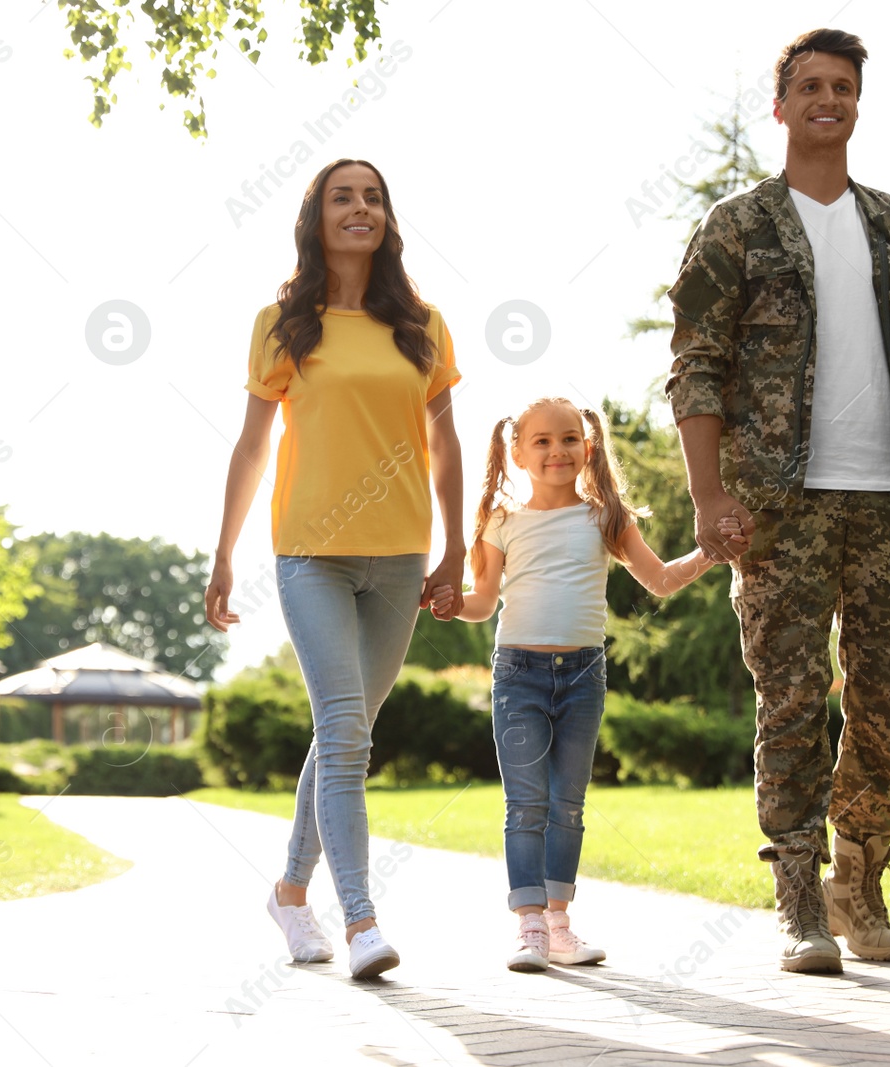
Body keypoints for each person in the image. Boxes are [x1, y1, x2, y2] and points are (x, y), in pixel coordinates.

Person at [666, 28, 890, 973]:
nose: (827, 99)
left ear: (856, 104)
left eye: (843, 86)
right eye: (810, 86)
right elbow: (696, 368)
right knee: (789, 698)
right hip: (778, 505)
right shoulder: (736, 227)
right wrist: (708, 493)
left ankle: (860, 883)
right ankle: (797, 898)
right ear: (782, 105)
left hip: (886, 502)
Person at [206, 158, 466, 979]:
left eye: (374, 197)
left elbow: (446, 442)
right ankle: (361, 920)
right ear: (315, 218)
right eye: (343, 197)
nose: (361, 208)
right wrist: (223, 550)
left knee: (345, 732)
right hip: (309, 551)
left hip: (401, 554)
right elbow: (253, 445)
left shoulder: (421, 322)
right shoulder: (283, 322)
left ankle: (289, 890)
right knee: (347, 732)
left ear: (389, 218)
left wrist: (457, 545)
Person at [431, 398, 743, 972]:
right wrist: (453, 605)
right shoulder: (499, 521)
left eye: (570, 439)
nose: (558, 451)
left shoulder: (606, 517)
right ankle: (528, 927)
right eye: (543, 441)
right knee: (526, 804)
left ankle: (559, 925)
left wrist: (710, 552)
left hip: (582, 676)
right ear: (517, 453)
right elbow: (482, 601)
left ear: (588, 448)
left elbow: (661, 580)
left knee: (567, 807)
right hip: (518, 675)